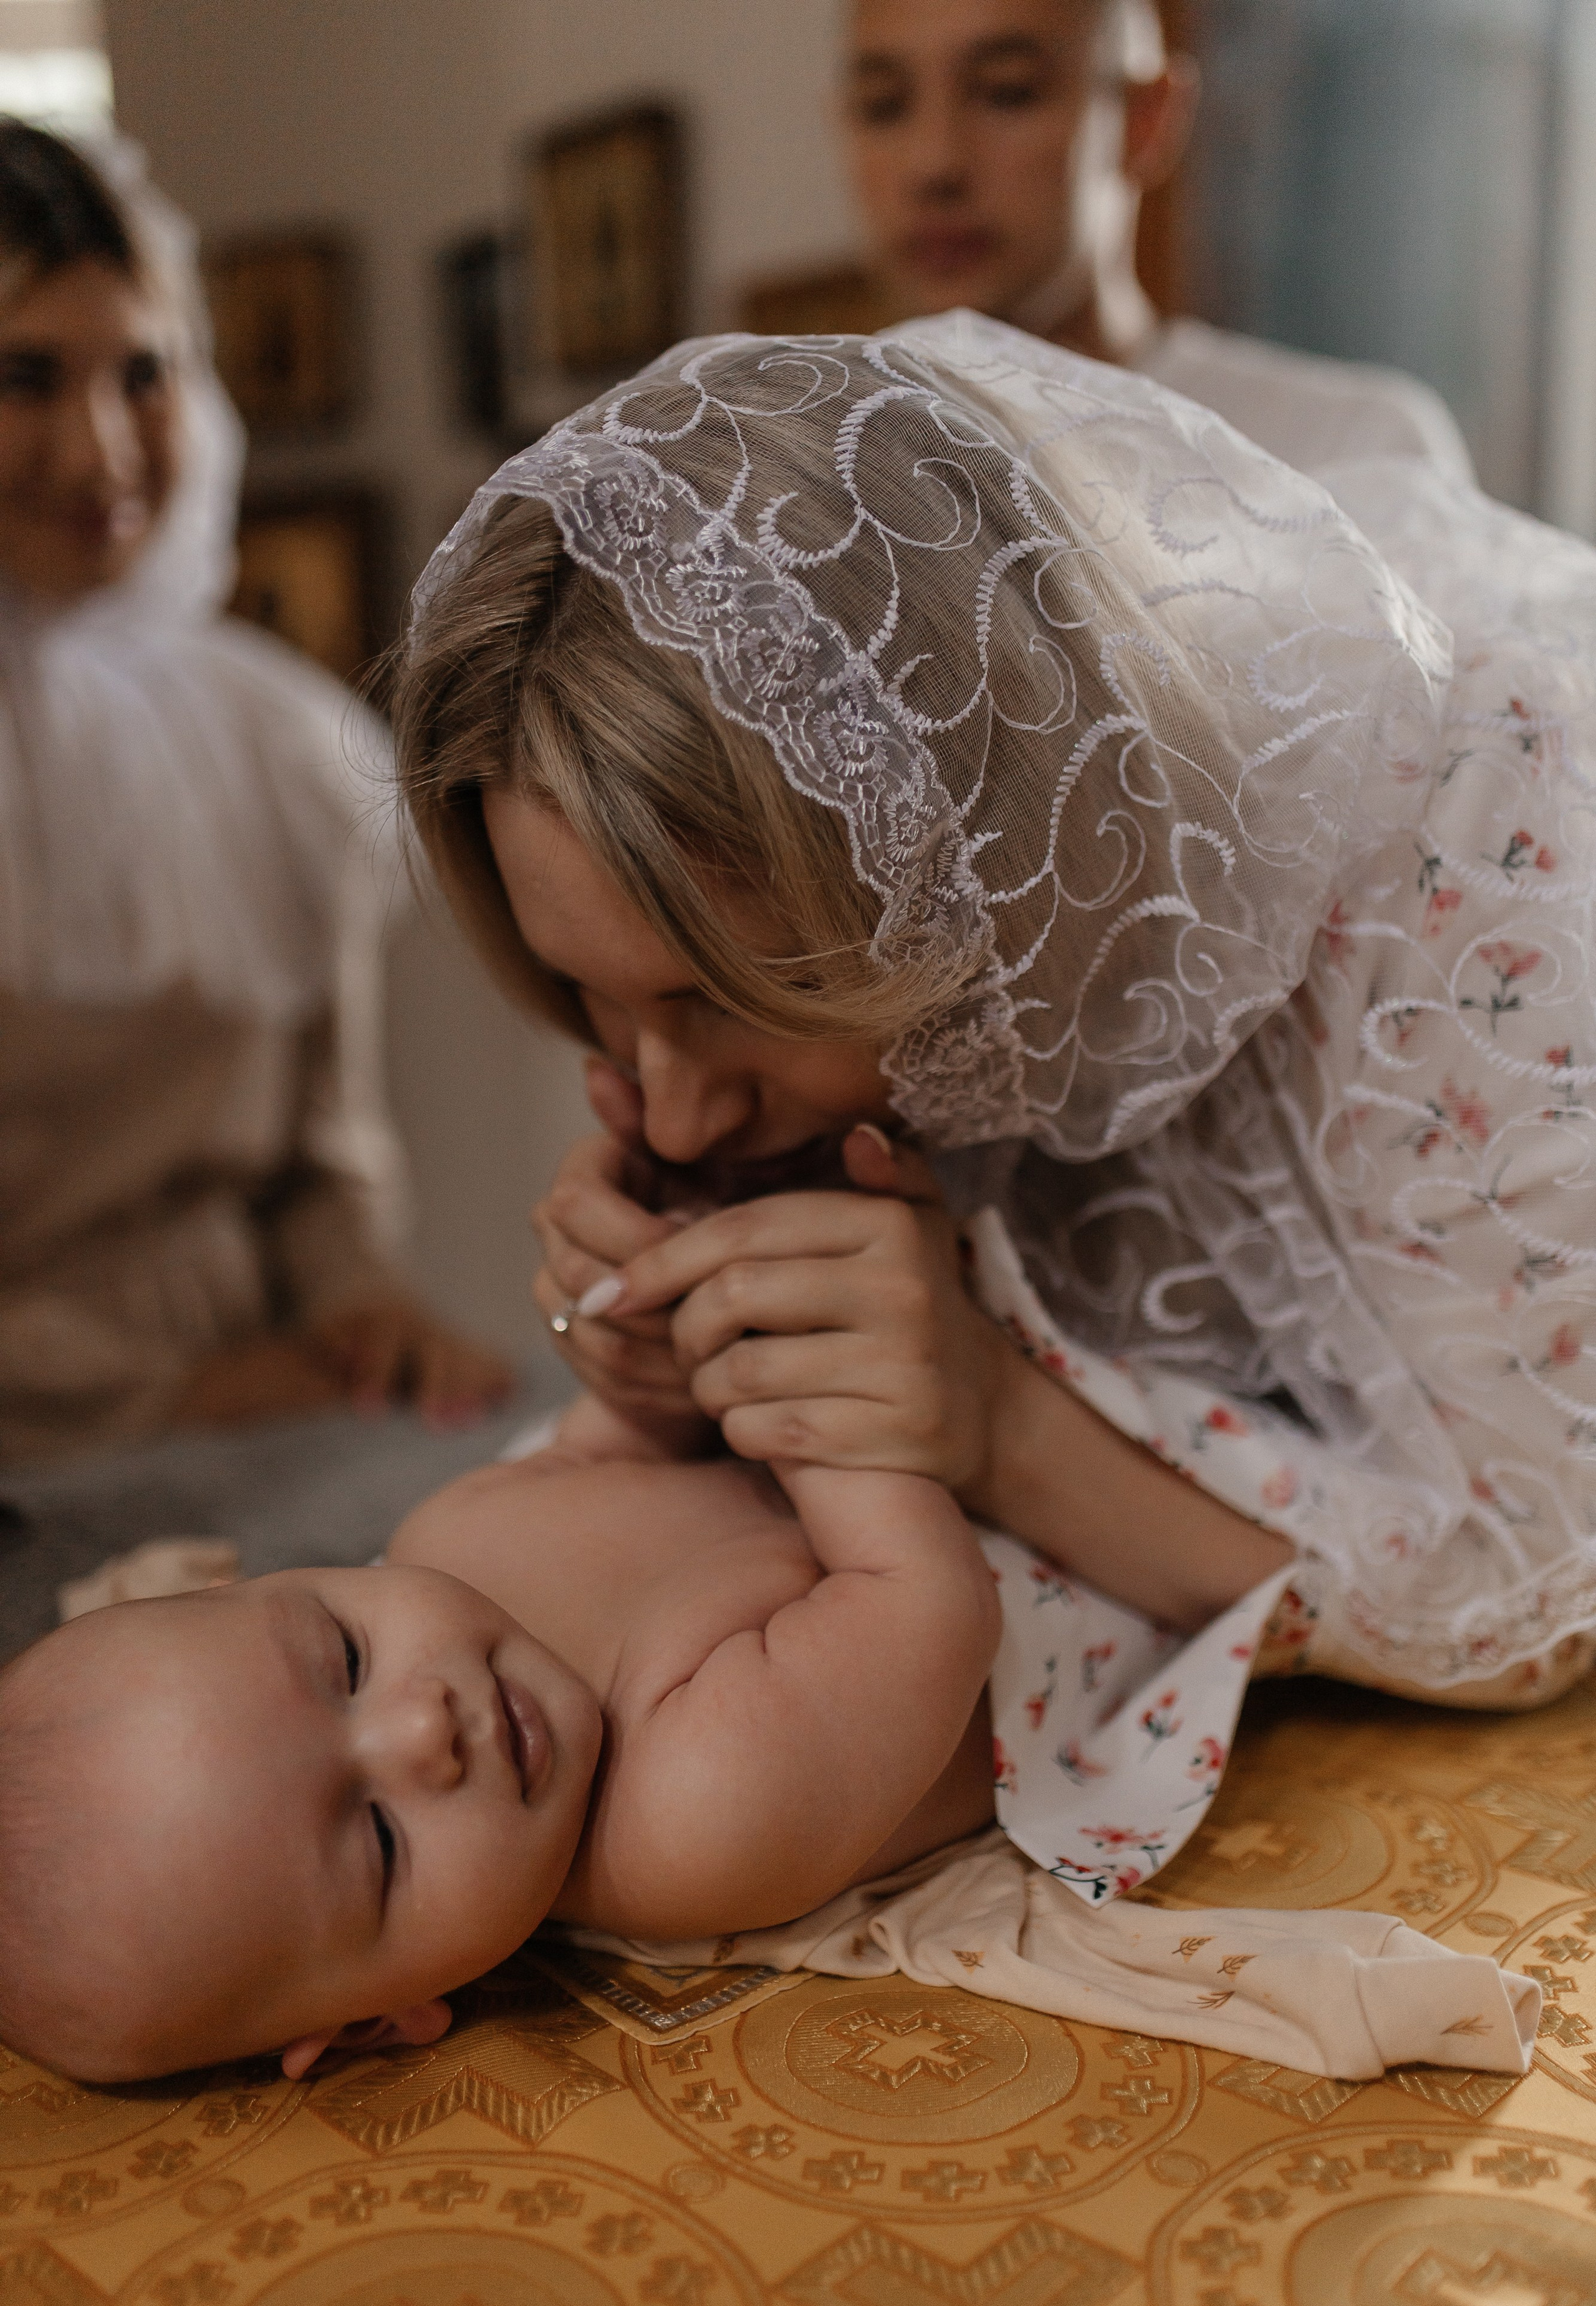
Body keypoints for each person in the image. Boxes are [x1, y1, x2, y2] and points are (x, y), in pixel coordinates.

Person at [392, 313, 1596, 1719]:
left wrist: (1004, 1426)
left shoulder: (1467, 843)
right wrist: (686, 1355)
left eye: (720, 999)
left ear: (959, 839)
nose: (664, 1109)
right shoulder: (863, 1017)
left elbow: (1539, 1593)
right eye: (591, 1005)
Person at [0, 1389, 1534, 2085]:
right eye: (384, 1842)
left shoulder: (446, 1524)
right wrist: (823, 1382)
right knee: (1478, 1500)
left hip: (986, 1384)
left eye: (338, 1655)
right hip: (1123, 1524)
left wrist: (644, 1318)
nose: (425, 1724)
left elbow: (629, 1430)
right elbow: (920, 1599)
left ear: (288, 1578)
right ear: (392, 2012)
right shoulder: (683, 1822)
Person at [0, 121, 509, 1466]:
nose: (102, 450)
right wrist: (168, 1398)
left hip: (278, 1415)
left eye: (145, 374)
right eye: (28, 378)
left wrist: (367, 1315)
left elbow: (324, 1169)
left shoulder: (274, 739)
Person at [842, 0, 1476, 481]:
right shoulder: (806, 459)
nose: (933, 163)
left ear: (1147, 120)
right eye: (883, 104)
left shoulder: (1352, 453)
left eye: (1008, 91)